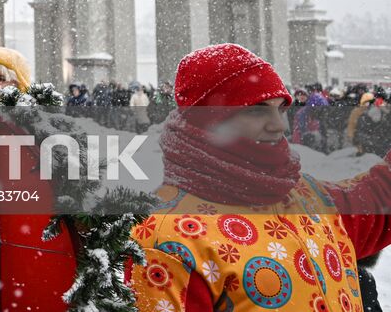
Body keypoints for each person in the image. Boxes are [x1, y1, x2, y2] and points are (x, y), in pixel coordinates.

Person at [130, 43, 391, 312]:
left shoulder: (305, 195)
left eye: (280, 109)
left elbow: (378, 200)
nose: (279, 125)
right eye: (257, 109)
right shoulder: (167, 238)